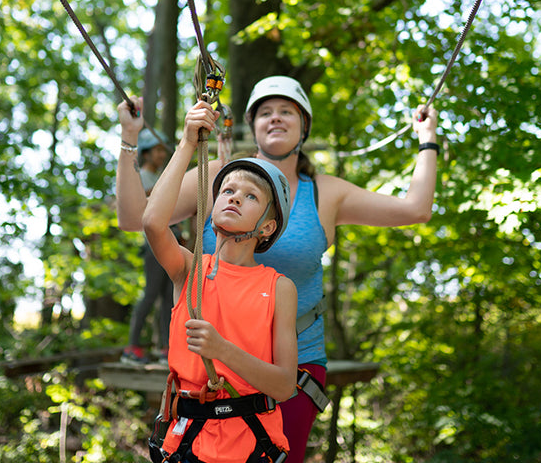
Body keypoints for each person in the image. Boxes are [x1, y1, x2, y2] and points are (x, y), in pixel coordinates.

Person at [117, 76, 438, 462]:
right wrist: (129, 140)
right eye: (265, 112)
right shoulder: (221, 176)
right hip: (209, 368)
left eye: (287, 111)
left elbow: (415, 209)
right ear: (252, 125)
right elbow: (140, 218)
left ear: (304, 125)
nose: (276, 118)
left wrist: (427, 140)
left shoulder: (325, 191)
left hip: (294, 363)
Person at [143, 100, 298, 462]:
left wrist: (222, 350)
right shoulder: (189, 269)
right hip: (186, 442)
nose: (234, 199)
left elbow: (284, 385)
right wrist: (186, 144)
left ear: (268, 227)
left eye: (250, 196)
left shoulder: (279, 288)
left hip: (249, 445)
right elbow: (152, 222)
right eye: (227, 191)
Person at [122, 127, 175, 365]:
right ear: (145, 153)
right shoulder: (142, 177)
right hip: (154, 246)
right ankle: (132, 346)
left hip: (170, 241)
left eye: (164, 150)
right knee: (151, 294)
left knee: (167, 298)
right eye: (157, 150)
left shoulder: (159, 177)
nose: (161, 155)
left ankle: (166, 347)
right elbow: (138, 205)